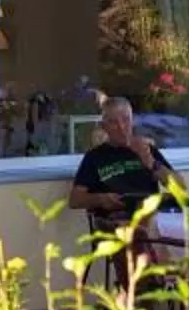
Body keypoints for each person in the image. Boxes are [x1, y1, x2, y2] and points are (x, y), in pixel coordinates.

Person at [68, 96, 174, 232]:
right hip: (116, 223)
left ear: (132, 121)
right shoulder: (94, 157)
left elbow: (180, 187)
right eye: (114, 122)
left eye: (126, 120)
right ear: (104, 127)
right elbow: (75, 200)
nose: (121, 127)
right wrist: (100, 199)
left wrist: (151, 162)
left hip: (150, 219)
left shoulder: (146, 149)